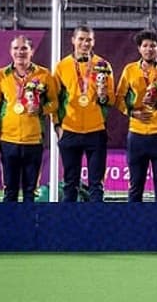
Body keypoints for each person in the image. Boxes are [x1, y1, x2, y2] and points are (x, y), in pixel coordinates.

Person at [0, 36, 59, 202]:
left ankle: (29, 226)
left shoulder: (44, 75)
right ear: (11, 52)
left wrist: (41, 109)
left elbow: (55, 103)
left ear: (32, 52)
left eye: (24, 48)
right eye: (16, 48)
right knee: (10, 190)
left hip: (34, 141)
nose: (20, 52)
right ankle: (8, 226)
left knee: (30, 191)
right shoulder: (1, 76)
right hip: (8, 140)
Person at [116, 29, 157, 202]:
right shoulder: (129, 70)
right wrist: (131, 112)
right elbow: (118, 98)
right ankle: (133, 224)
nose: (149, 49)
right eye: (145, 45)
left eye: (153, 46)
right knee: (135, 185)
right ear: (139, 48)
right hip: (136, 134)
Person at [54, 25, 115, 202]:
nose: (84, 43)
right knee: (70, 183)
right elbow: (54, 99)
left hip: (96, 130)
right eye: (81, 39)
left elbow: (110, 100)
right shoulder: (62, 66)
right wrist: (57, 126)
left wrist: (103, 95)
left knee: (96, 184)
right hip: (70, 130)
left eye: (88, 39)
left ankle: (96, 224)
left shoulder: (103, 65)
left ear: (93, 42)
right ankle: (68, 225)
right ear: (73, 40)